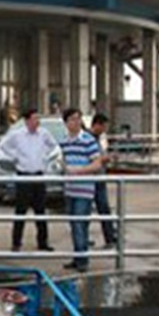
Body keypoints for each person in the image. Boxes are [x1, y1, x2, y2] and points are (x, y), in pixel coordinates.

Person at [0, 108, 58, 252]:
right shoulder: (17, 135)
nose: (37, 121)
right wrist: (14, 157)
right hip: (23, 175)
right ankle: (16, 242)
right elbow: (2, 147)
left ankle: (43, 242)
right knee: (20, 211)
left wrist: (45, 157)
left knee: (40, 211)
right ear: (27, 120)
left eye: (38, 118)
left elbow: (54, 146)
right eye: (34, 118)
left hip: (38, 176)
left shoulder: (44, 134)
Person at [59, 107, 105, 273]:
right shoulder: (64, 141)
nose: (76, 122)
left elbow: (97, 164)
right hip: (70, 189)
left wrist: (79, 171)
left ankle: (83, 260)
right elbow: (61, 161)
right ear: (66, 123)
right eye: (72, 119)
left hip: (84, 189)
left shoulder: (88, 140)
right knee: (74, 225)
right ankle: (78, 256)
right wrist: (63, 167)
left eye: (78, 119)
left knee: (80, 224)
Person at [90, 113, 117, 248]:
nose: (104, 130)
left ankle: (110, 237)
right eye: (104, 127)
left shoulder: (99, 139)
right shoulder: (88, 139)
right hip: (91, 178)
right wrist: (105, 158)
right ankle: (84, 238)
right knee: (86, 210)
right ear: (97, 125)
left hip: (100, 178)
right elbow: (92, 158)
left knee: (104, 209)